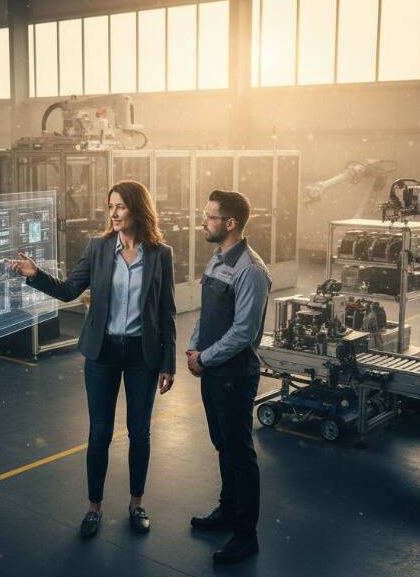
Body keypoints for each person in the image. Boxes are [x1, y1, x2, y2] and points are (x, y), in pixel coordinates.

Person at [7, 180, 176, 539]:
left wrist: (168, 363)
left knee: (140, 433)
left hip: (143, 355)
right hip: (103, 352)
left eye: (121, 206)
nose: (113, 213)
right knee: (99, 434)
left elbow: (166, 312)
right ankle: (94, 507)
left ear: (138, 209)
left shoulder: (161, 254)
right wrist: (35, 275)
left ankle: (136, 503)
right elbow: (70, 289)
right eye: (110, 206)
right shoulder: (98, 249)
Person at [186, 190, 271, 564]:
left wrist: (204, 357)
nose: (204, 222)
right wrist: (193, 348)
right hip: (213, 370)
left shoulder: (250, 269)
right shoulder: (218, 260)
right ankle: (227, 511)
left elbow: (244, 333)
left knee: (240, 453)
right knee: (224, 445)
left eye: (210, 217)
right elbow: (208, 315)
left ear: (230, 223)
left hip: (235, 374)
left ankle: (245, 533)